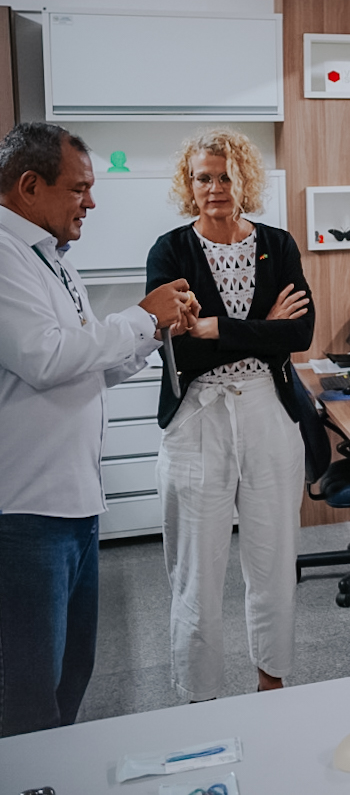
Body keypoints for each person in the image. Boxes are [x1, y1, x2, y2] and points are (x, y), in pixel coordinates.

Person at [0, 122, 192, 736]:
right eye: (78, 188)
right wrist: (140, 316)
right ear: (30, 186)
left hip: (74, 508)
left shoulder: (51, 261)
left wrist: (152, 333)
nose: (91, 202)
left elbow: (84, 367)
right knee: (27, 696)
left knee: (68, 679)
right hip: (24, 515)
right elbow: (46, 357)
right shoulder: (3, 257)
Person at [147, 129, 314, 701]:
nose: (215, 187)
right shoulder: (169, 251)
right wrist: (262, 328)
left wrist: (217, 327)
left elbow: (301, 331)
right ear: (188, 184)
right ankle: (200, 699)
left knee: (273, 560)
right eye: (202, 177)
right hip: (199, 419)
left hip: (269, 413)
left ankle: (273, 682)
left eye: (225, 175)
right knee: (197, 572)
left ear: (244, 179)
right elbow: (179, 348)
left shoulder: (278, 242)